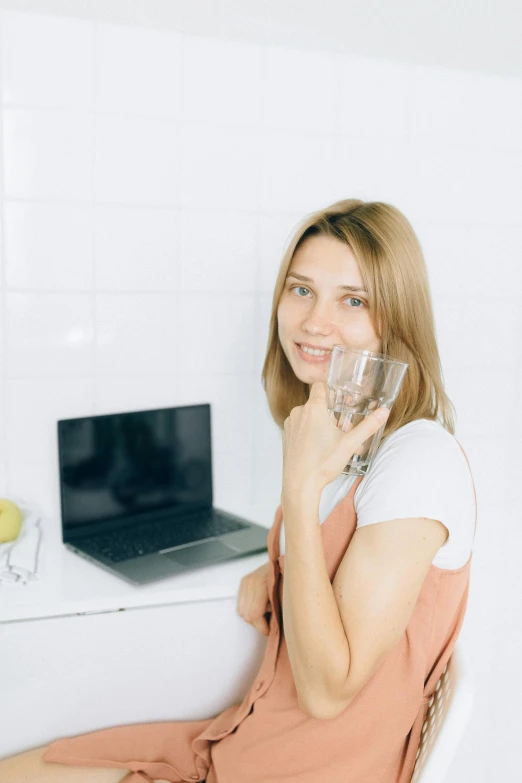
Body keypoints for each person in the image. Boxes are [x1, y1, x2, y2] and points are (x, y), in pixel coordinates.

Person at [0, 199, 477, 782]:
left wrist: (298, 497)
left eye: (354, 300)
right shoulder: (338, 435)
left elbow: (329, 693)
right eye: (301, 290)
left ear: (397, 320)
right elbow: (336, 570)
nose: (314, 321)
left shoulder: (418, 460)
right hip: (239, 740)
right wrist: (274, 570)